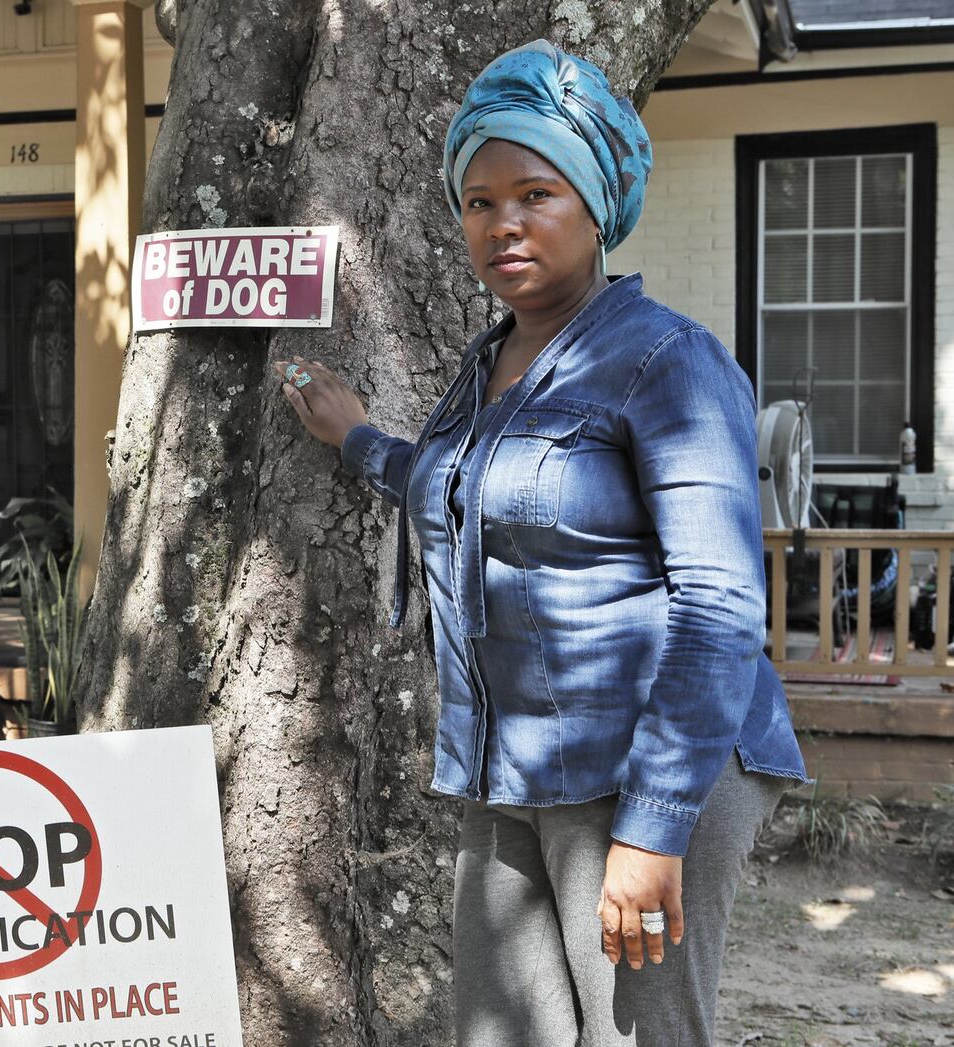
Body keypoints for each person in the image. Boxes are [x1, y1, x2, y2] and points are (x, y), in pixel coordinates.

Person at [275, 41, 807, 1046]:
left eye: (535, 193)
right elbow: (464, 490)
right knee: (499, 1028)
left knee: (635, 1035)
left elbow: (722, 605)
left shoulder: (666, 361)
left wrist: (652, 828)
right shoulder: (488, 367)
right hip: (506, 763)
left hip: (647, 763)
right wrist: (356, 438)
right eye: (478, 202)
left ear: (596, 204)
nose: (502, 222)